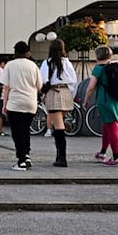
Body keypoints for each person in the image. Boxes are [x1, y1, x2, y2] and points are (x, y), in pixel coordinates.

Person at [83, 46, 118, 167]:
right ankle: (102, 152)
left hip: (106, 100)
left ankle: (116, 157)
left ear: (97, 56)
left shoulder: (98, 69)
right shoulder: (115, 67)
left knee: (111, 127)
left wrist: (85, 101)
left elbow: (91, 86)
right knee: (107, 126)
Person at [2, 41, 42, 171]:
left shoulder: (10, 65)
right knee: (25, 130)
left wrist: (4, 105)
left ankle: (21, 160)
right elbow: (39, 86)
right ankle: (27, 155)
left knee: (17, 132)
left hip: (15, 103)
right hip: (31, 102)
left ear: (15, 52)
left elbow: (6, 87)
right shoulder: (33, 66)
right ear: (27, 52)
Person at [40, 39, 78, 168]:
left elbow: (43, 81)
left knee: (58, 126)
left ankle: (61, 158)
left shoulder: (47, 63)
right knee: (59, 123)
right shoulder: (67, 63)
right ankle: (60, 156)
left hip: (54, 92)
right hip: (66, 91)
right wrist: (71, 95)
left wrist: (43, 92)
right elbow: (74, 81)